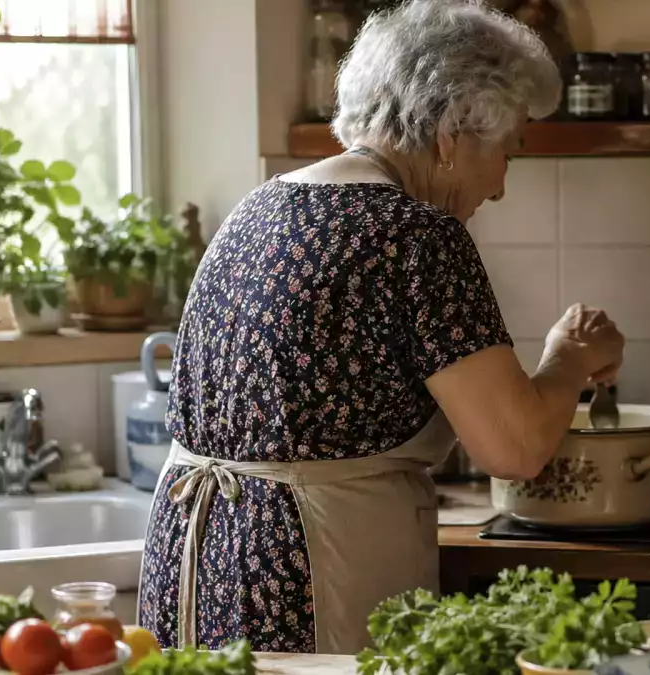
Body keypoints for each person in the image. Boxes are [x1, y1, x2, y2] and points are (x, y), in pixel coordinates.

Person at [138, 0, 624, 655]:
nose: (503, 184)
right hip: (302, 577)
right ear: (453, 132)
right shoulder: (419, 236)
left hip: (189, 566)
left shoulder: (257, 208)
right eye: (508, 150)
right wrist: (568, 358)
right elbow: (513, 447)